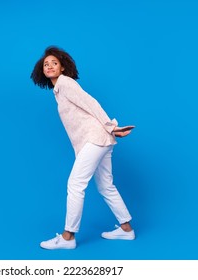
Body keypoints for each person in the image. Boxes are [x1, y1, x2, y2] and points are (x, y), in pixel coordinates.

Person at [30, 46, 135, 250]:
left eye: (54, 63)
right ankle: (126, 229)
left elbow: (91, 103)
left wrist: (111, 127)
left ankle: (68, 237)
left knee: (75, 184)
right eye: (46, 64)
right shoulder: (58, 90)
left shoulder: (66, 83)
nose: (50, 66)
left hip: (95, 138)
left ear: (62, 68)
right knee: (106, 185)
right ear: (41, 71)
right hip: (99, 140)